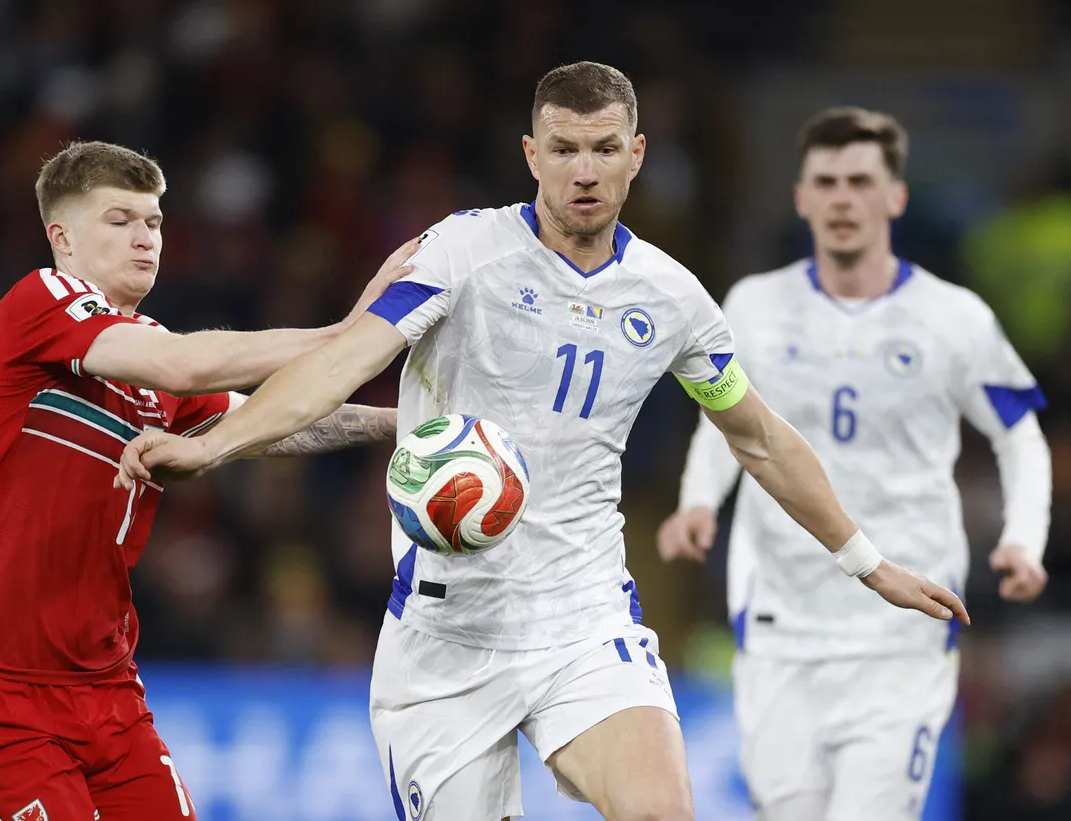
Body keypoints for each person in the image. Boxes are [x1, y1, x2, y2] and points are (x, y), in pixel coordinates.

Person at [117, 67, 968, 821]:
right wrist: (215, 446)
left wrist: (867, 563)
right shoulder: (462, 252)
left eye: (603, 148)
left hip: (583, 618)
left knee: (661, 810)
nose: (583, 171)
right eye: (563, 149)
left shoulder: (673, 299)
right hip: (446, 635)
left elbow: (760, 438)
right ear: (532, 154)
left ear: (637, 154)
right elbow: (341, 363)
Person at [0, 140, 414, 821]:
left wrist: (402, 421)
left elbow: (274, 424)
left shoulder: (146, 356)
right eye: (119, 220)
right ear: (62, 236)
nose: (144, 237)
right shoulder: (41, 302)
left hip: (106, 689)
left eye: (153, 221)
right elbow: (182, 364)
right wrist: (348, 332)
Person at [657, 107, 1052, 821]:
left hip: (901, 624)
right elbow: (730, 423)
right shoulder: (754, 305)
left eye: (861, 182)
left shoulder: (953, 316)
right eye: (827, 182)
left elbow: (1019, 434)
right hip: (782, 621)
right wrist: (698, 501)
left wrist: (1024, 536)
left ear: (895, 197)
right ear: (801, 197)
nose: (843, 199)